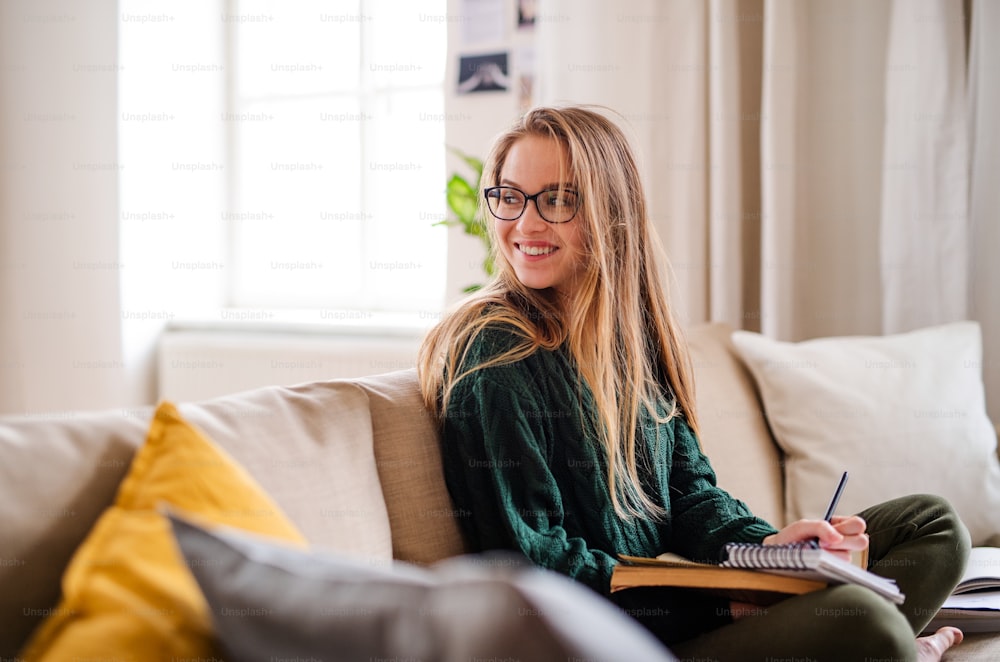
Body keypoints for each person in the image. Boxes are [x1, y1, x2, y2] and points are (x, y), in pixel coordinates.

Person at [417, 105, 970, 660]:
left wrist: (770, 549)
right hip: (620, 642)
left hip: (686, 616)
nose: (526, 224)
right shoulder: (494, 353)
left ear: (613, 212)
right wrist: (715, 606)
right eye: (511, 196)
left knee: (933, 525)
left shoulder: (633, 341)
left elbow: (689, 494)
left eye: (558, 199)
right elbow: (536, 566)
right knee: (868, 624)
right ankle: (896, 650)